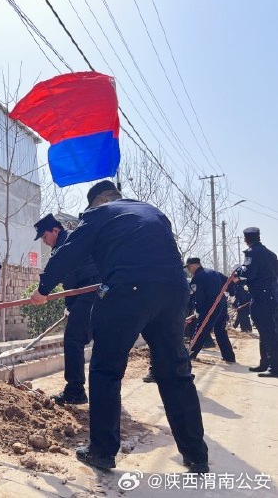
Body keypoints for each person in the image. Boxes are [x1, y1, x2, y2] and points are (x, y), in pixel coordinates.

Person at [30, 180, 208, 473]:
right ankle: (197, 456)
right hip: (174, 291)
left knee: (106, 369)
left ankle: (101, 451)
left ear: (97, 201)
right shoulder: (153, 211)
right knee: (175, 372)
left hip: (129, 291)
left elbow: (70, 251)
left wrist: (44, 288)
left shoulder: (99, 214)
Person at [33, 213, 99, 405]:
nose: (44, 242)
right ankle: (88, 390)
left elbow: (60, 267)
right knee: (85, 337)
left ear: (56, 230)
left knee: (73, 338)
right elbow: (71, 280)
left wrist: (42, 290)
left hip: (92, 289)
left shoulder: (68, 241)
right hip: (86, 292)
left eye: (45, 237)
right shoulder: (63, 245)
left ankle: (75, 391)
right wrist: (70, 307)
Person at [236, 227, 278, 377]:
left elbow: (249, 273)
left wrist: (239, 271)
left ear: (246, 239)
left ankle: (274, 367)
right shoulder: (271, 254)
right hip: (271, 296)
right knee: (266, 331)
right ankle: (265, 363)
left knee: (268, 332)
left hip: (261, 297)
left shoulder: (252, 253)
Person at [186, 258, 236, 363]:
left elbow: (198, 297)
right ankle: (229, 356)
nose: (188, 270)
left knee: (201, 330)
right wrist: (231, 294)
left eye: (188, 267)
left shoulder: (197, 278)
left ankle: (191, 354)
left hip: (209, 307)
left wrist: (197, 312)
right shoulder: (214, 272)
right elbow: (230, 281)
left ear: (194, 265)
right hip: (221, 304)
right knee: (220, 330)